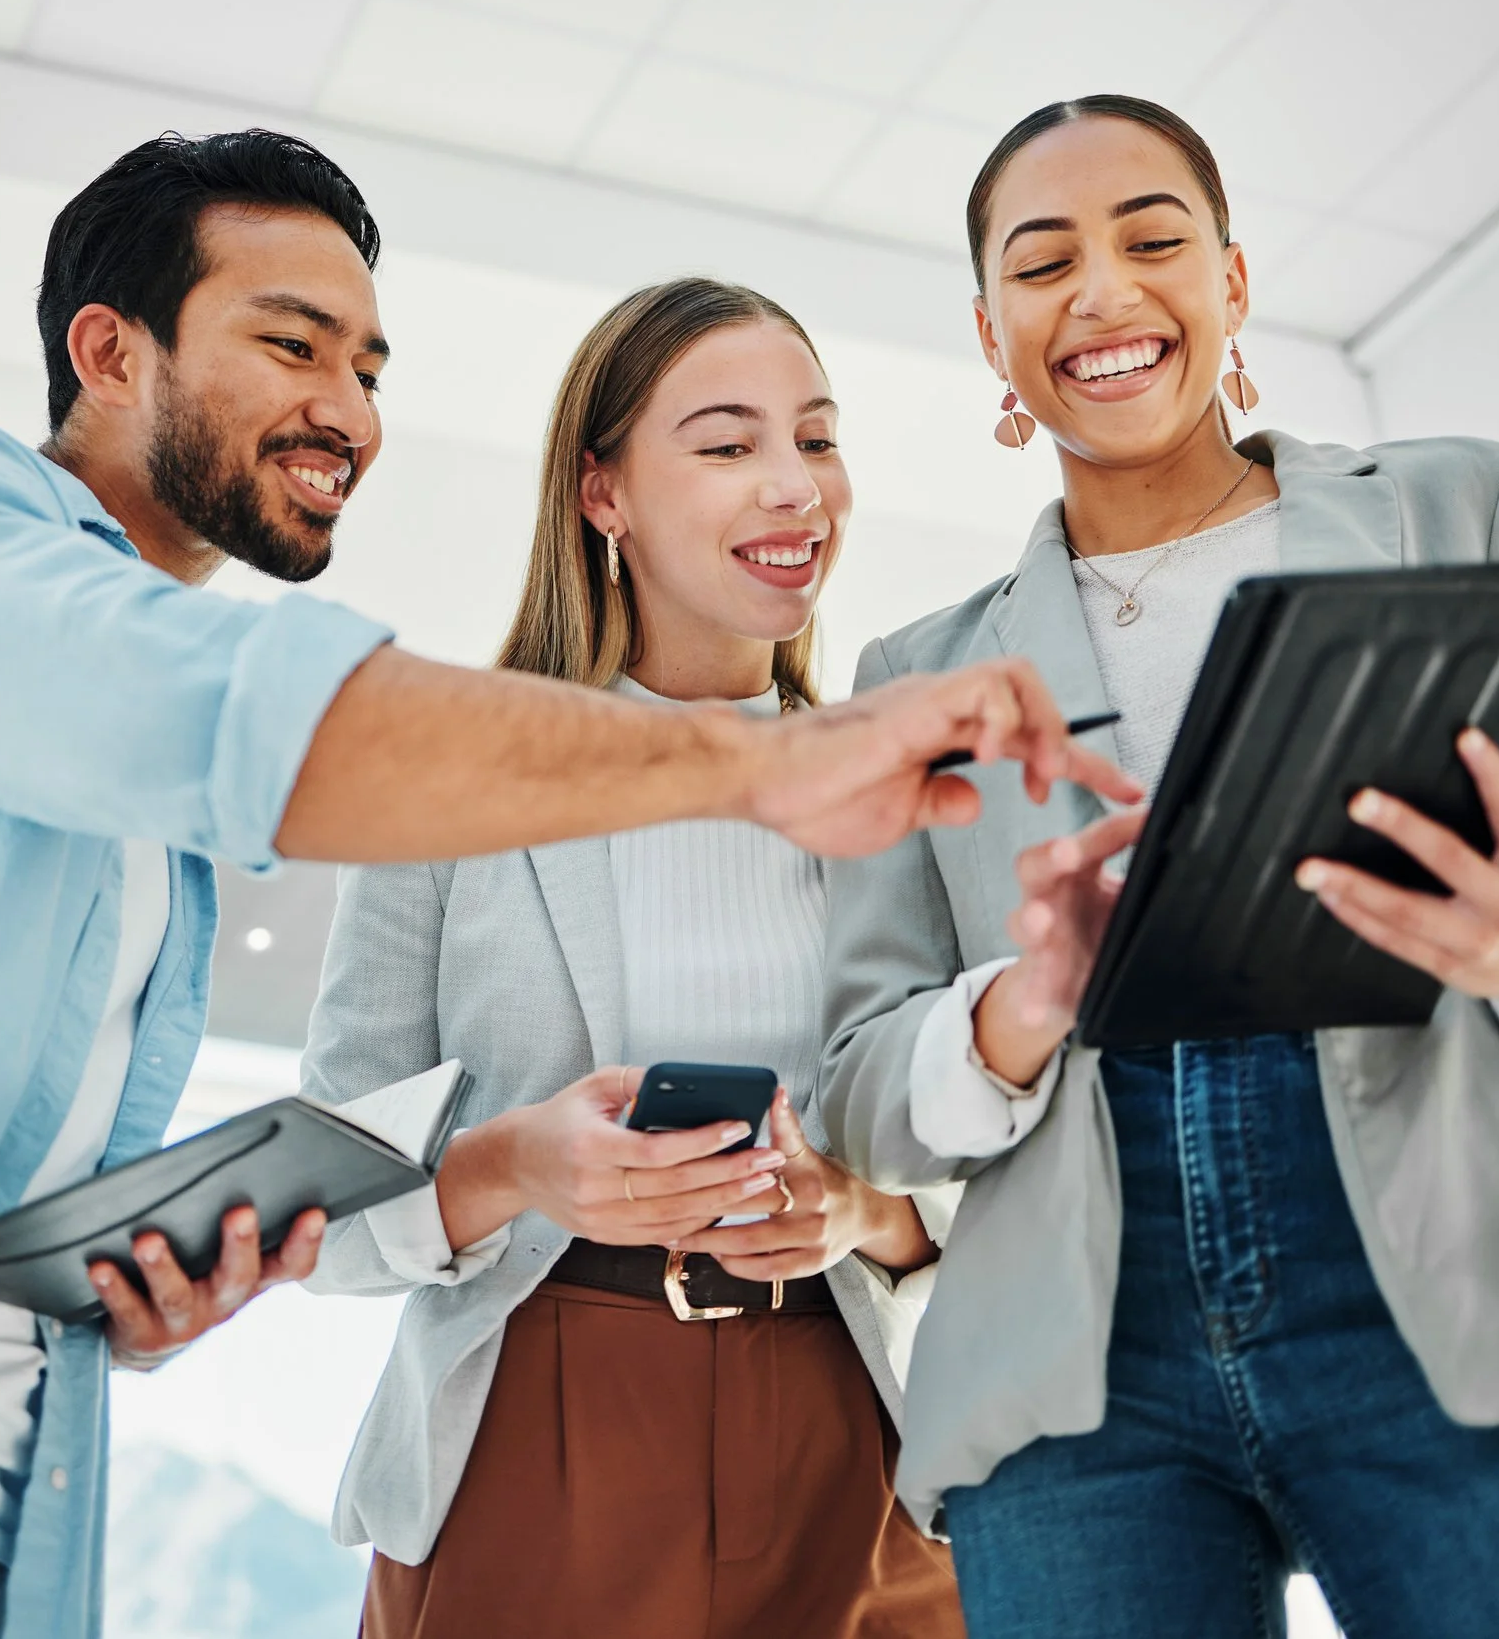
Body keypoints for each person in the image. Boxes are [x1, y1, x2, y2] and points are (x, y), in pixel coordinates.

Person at [0, 133, 1118, 1639]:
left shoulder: (151, 846)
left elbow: (59, 1161)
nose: (346, 409)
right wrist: (757, 766)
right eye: (291, 345)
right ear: (110, 351)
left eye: (370, 368)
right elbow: (234, 726)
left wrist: (165, 1264)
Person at [820, 96, 1499, 1639]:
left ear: (1233, 284)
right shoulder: (916, 678)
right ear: (992, 336)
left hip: (1460, 1286)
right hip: (1078, 1363)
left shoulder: (1468, 506)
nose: (1102, 294)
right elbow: (856, 1087)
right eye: (1043, 266)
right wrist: (1019, 1008)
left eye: (1153, 241)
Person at [299, 279, 1026, 1638]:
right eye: (728, 441)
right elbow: (326, 1208)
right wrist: (520, 1163)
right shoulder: (453, 779)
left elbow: (1022, 1171)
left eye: (815, 438)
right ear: (604, 494)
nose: (793, 483)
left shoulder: (911, 788)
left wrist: (866, 1214)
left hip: (854, 1422)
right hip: (534, 1423)